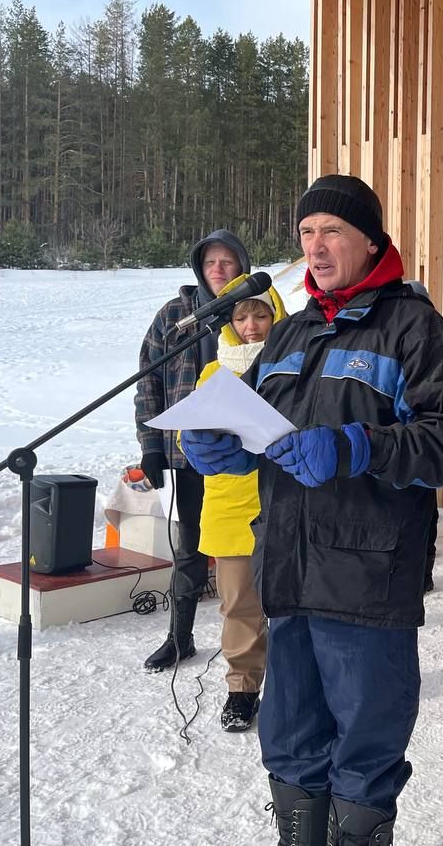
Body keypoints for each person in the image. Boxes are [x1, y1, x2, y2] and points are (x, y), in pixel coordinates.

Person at [181, 174, 443, 846]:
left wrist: (356, 445)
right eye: (307, 233)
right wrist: (221, 447)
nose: (315, 245)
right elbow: (259, 431)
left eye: (332, 231)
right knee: (288, 739)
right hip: (286, 572)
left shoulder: (413, 328)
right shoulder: (288, 336)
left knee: (365, 754)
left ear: (371, 241)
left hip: (368, 581)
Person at [134, 228, 250, 672]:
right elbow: (149, 381)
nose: (218, 270)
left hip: (246, 455)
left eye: (227, 262)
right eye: (210, 263)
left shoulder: (254, 311)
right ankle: (180, 638)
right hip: (188, 454)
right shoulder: (175, 315)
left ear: (243, 265)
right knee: (191, 547)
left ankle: (258, 644)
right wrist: (151, 447)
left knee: (251, 549)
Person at [179, 276, 285, 731]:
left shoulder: (294, 366)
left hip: (285, 502)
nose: (251, 325)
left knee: (291, 604)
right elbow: (189, 433)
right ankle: (242, 688)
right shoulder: (212, 374)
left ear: (276, 315)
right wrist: (194, 445)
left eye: (260, 314)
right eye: (240, 316)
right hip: (231, 506)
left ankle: (293, 686)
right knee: (239, 605)